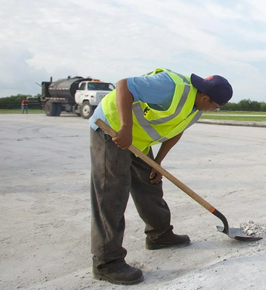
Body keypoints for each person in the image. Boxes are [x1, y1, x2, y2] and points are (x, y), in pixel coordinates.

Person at [87, 68, 232, 285]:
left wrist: (159, 162)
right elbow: (123, 85)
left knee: (150, 184)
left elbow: (176, 130)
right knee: (112, 194)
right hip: (112, 130)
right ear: (205, 97)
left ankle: (159, 235)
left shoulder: (196, 108)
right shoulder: (172, 86)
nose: (214, 109)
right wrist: (125, 128)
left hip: (138, 140)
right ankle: (106, 263)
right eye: (215, 106)